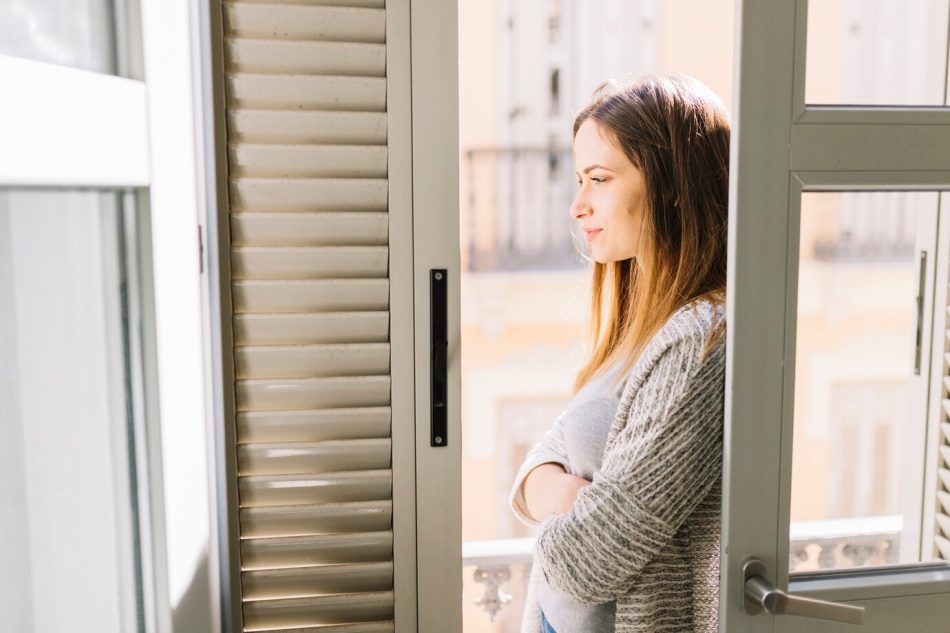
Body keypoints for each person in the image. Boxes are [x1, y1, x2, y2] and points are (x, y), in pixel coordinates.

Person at [508, 74, 730, 633]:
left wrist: (555, 498)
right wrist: (569, 491)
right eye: (579, 180)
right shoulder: (640, 328)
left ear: (672, 185)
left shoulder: (701, 341)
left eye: (599, 179)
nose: (577, 206)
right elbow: (539, 461)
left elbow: (589, 557)